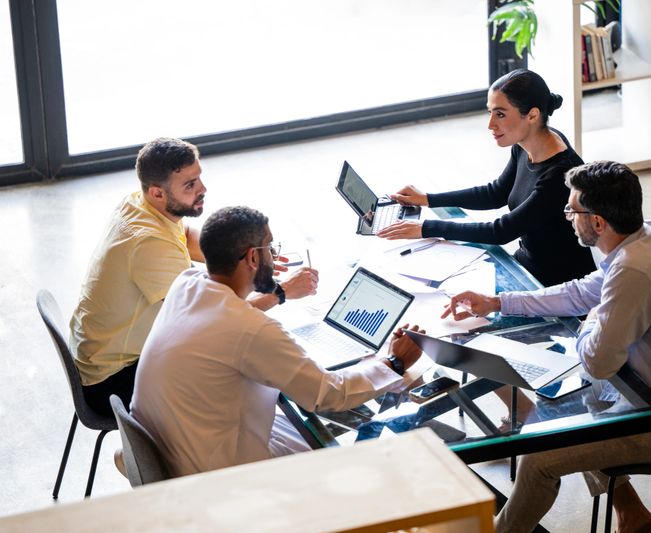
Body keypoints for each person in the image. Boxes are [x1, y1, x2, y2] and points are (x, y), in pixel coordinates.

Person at [444, 161, 651, 533]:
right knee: (559, 410)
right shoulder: (643, 240)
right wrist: (499, 302)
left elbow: (598, 362)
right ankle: (634, 517)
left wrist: (590, 323)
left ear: (597, 222)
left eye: (572, 210)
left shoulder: (635, 271)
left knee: (540, 458)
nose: (567, 217)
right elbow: (582, 292)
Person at [131, 206, 425, 477]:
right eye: (270, 247)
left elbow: (227, 325)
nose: (273, 255)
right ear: (253, 257)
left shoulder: (187, 282)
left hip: (174, 447)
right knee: (361, 462)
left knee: (310, 429)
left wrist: (280, 301)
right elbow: (328, 395)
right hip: (220, 476)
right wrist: (394, 362)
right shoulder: (251, 330)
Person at [69, 137, 318, 417]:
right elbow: (213, 322)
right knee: (242, 371)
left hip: (99, 357)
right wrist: (281, 293)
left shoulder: (143, 204)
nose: (203, 190)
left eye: (199, 178)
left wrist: (251, 256)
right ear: (157, 193)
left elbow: (185, 237)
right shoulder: (148, 243)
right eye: (190, 185)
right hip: (112, 381)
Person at [377, 68, 596, 288]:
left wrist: (426, 227)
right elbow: (496, 193)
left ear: (532, 115)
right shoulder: (527, 144)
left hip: (555, 285)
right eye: (490, 112)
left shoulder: (559, 174)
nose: (490, 124)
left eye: (500, 114)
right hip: (526, 265)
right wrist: (428, 198)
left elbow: (500, 231)